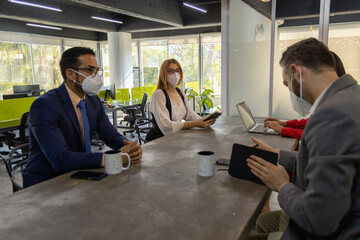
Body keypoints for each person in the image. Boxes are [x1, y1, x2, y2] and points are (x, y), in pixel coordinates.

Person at [247, 38, 360, 239]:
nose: (289, 90)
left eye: (286, 83)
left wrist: (281, 185)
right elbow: (322, 158)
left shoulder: (332, 115)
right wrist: (276, 154)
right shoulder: (352, 96)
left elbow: (319, 218)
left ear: (296, 72)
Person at [22, 47, 142, 188]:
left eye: (97, 71)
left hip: (79, 175)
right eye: (90, 70)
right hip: (46, 183)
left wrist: (128, 146)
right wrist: (111, 158)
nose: (96, 76)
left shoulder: (93, 100)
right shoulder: (44, 105)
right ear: (70, 74)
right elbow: (61, 159)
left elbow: (109, 134)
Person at [263, 51, 346, 140]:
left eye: (288, 84)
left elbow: (316, 136)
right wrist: (286, 124)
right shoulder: (332, 99)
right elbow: (312, 122)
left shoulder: (335, 105)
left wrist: (283, 130)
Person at [148, 59, 216, 140]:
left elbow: (190, 114)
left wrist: (204, 120)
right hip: (159, 140)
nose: (175, 74)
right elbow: (166, 126)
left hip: (176, 137)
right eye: (170, 71)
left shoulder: (179, 91)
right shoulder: (158, 94)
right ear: (164, 74)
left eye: (177, 70)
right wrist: (193, 124)